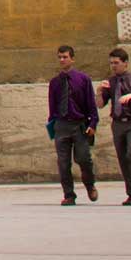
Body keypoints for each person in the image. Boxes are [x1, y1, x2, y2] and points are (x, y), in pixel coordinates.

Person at [97, 47, 131, 205]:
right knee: (122, 158)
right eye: (111, 63)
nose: (113, 66)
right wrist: (99, 91)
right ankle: (130, 193)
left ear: (125, 63)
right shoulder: (111, 82)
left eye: (116, 63)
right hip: (117, 123)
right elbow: (100, 105)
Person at [46, 44, 98, 204]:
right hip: (61, 125)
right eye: (59, 57)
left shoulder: (83, 79)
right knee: (63, 162)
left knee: (83, 158)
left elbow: (91, 104)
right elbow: (52, 105)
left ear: (72, 59)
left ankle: (90, 185)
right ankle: (69, 194)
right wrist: (52, 124)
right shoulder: (55, 82)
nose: (62, 60)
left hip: (79, 125)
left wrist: (93, 123)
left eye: (65, 57)